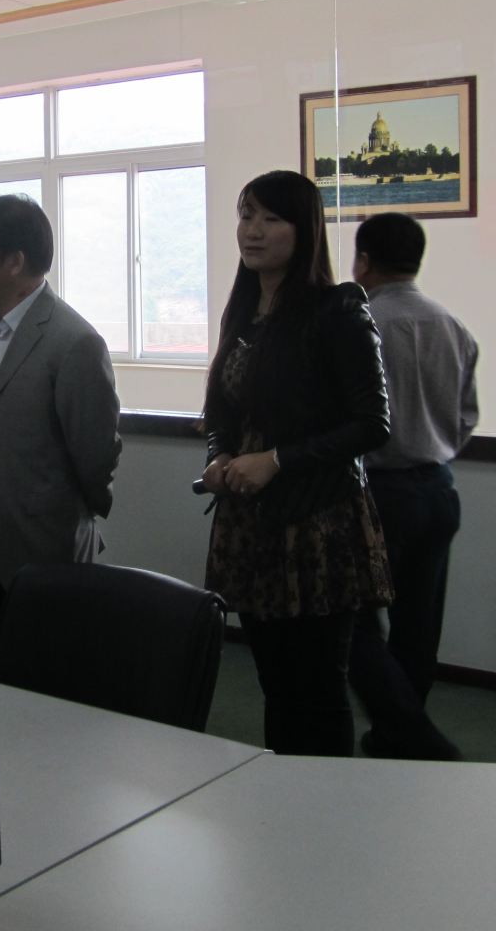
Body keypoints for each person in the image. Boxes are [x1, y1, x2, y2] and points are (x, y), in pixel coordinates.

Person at [201, 170, 393, 758]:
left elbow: (373, 424)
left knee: (317, 689)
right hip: (252, 524)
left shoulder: (336, 308)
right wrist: (219, 455)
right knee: (276, 685)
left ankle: (325, 803)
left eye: (271, 218)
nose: (253, 231)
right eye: (246, 215)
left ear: (304, 229)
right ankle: (282, 794)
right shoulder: (243, 310)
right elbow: (221, 413)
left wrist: (277, 461)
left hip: (316, 526)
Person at [348, 212, 478, 760]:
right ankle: (397, 740)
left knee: (351, 623)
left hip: (377, 492)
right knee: (418, 627)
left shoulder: (361, 324)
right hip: (438, 490)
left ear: (363, 261)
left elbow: (343, 421)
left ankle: (413, 737)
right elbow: (465, 418)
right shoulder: (452, 325)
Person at [0, 194, 121, 615]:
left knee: (41, 651)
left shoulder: (74, 342)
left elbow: (95, 454)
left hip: (40, 542)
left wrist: (74, 514)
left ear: (14, 261)